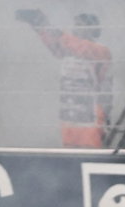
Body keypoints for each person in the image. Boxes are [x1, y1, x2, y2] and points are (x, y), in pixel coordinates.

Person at [17, 9, 112, 149]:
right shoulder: (68, 51)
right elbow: (54, 43)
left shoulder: (100, 50)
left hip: (91, 119)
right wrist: (38, 26)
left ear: (92, 30)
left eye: (81, 25)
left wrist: (42, 22)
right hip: (69, 117)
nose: (76, 29)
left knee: (90, 154)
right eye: (76, 25)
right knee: (70, 158)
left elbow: (71, 44)